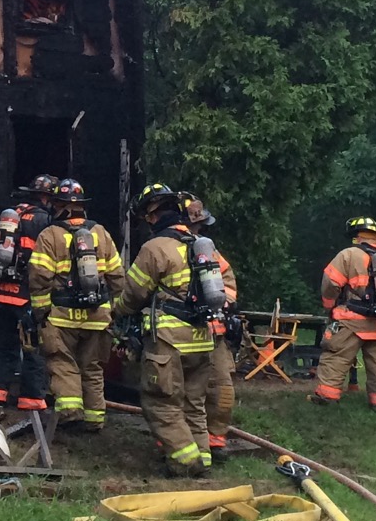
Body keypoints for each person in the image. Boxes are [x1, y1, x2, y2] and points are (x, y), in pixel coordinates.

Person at [115, 183, 219, 475]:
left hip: (169, 341)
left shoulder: (155, 248)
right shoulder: (198, 244)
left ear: (151, 215)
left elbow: (133, 293)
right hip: (201, 338)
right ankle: (204, 460)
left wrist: (118, 311)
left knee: (160, 402)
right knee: (193, 405)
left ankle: (188, 463)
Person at [28, 178, 124, 432]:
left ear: (59, 205)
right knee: (92, 368)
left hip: (61, 317)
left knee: (62, 362)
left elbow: (39, 278)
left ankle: (71, 416)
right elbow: (117, 276)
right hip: (98, 316)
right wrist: (116, 311)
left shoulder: (50, 235)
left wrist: (41, 313)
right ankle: (95, 420)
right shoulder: (101, 233)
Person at [0, 178, 54, 408]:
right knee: (33, 347)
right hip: (24, 297)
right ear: (46, 197)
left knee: (5, 346)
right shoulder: (44, 221)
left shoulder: (5, 218)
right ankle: (31, 399)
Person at [316, 216, 376, 409]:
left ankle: (327, 398)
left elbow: (331, 283)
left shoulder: (347, 255)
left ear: (356, 237)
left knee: (337, 357)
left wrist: (331, 307)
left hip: (352, 320)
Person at [182, 194, 241, 452]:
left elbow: (228, 284)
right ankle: (196, 442)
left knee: (217, 389)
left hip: (201, 333)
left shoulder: (206, 250)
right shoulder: (204, 249)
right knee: (201, 389)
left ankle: (213, 441)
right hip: (194, 332)